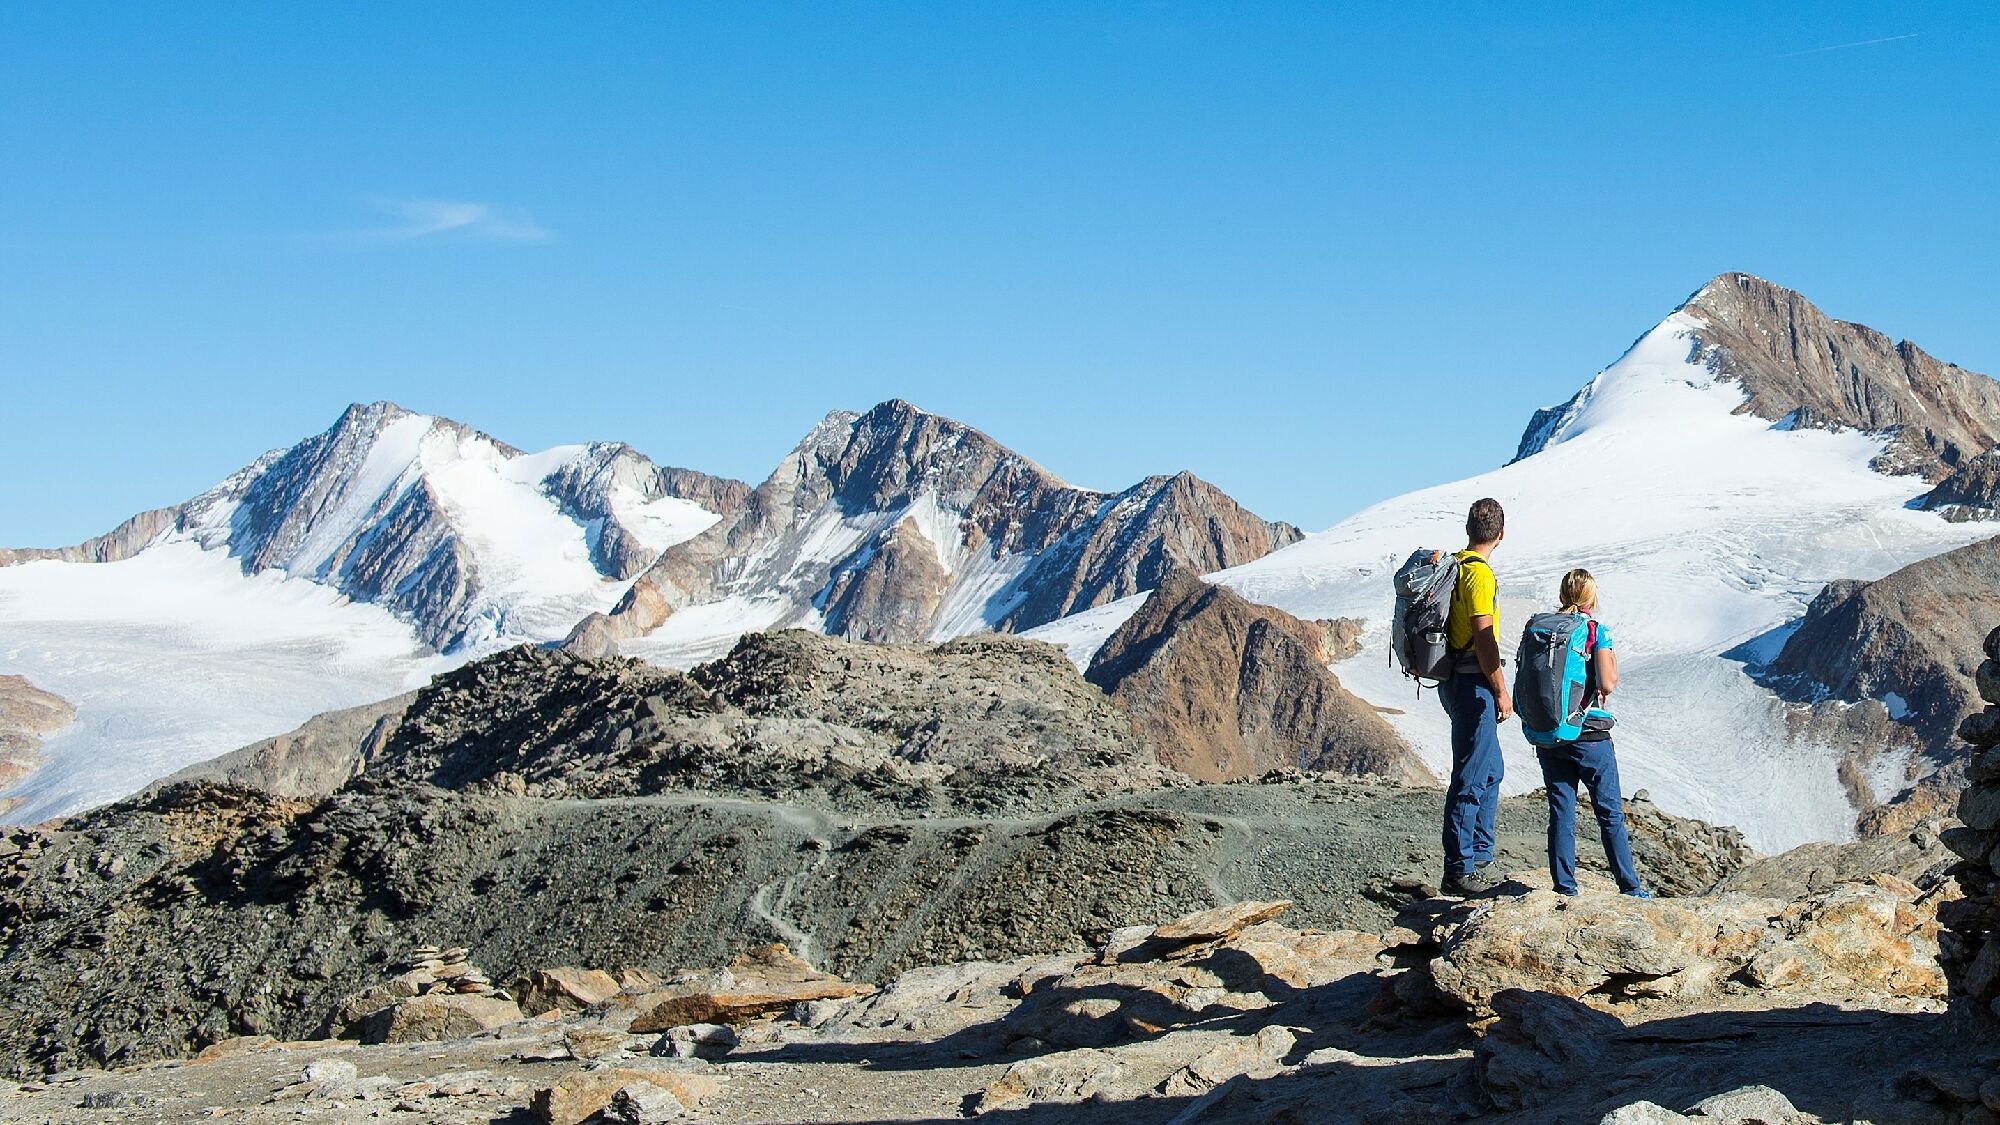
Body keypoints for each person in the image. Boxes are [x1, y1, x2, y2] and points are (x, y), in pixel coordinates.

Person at [1537, 568, 1649, 898]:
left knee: (1561, 812)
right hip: (1590, 736)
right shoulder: (1595, 630)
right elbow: (1606, 683)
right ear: (1591, 597)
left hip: (1552, 733)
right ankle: (1630, 888)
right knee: (1610, 814)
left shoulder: (1544, 628)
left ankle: (1565, 888)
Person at [1440, 497, 1510, 896]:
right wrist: (1500, 689)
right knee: (1469, 776)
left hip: (1454, 681)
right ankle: (1459, 869)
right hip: (1473, 684)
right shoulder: (1478, 575)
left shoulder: (1454, 565)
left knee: (1490, 769)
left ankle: (1478, 856)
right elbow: (1484, 636)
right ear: (1500, 535)